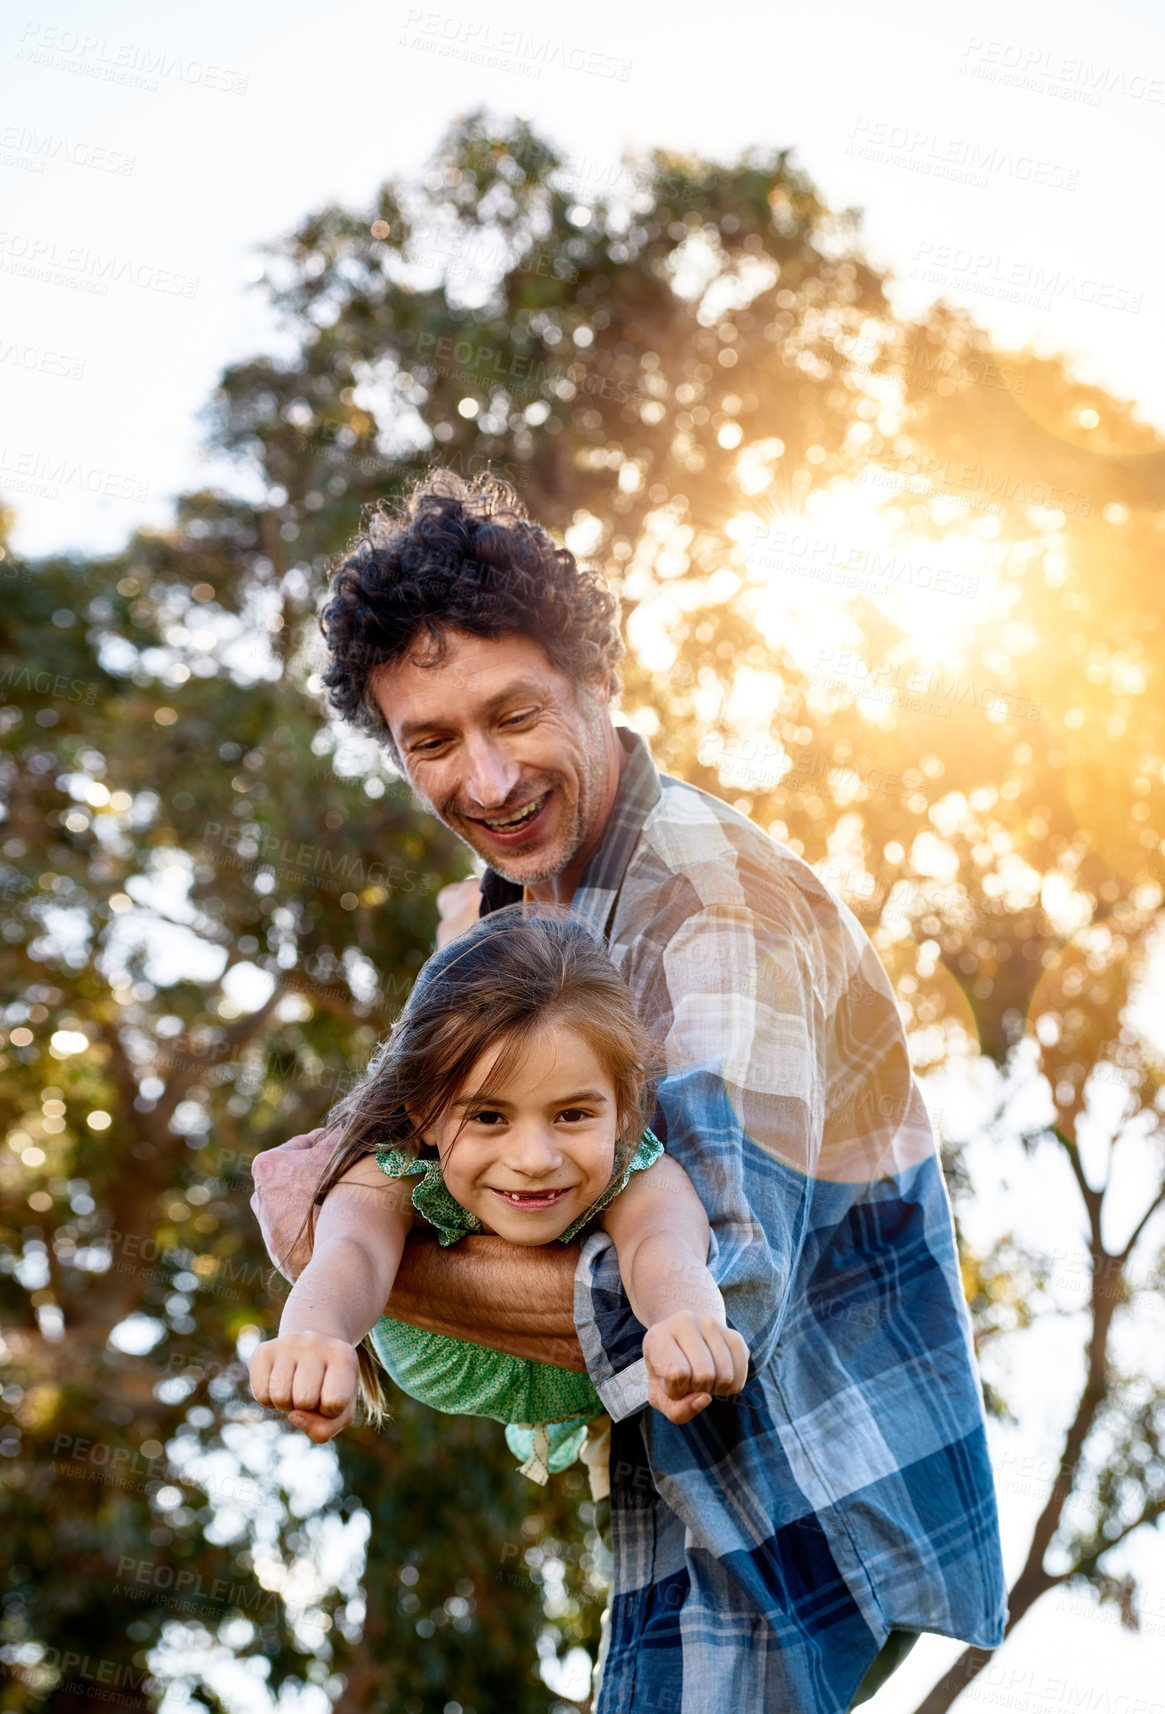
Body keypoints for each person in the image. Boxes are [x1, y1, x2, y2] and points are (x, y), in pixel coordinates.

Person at [250, 467, 1008, 1714]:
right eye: (431, 742)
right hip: (685, 1511)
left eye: (515, 716)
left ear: (597, 683)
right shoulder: (525, 913)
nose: (485, 783)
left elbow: (723, 1288)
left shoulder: (707, 906)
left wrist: (338, 1249)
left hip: (803, 1505)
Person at [248, 910, 749, 1490]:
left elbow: (662, 1247)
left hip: (598, 1418)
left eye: (572, 1114)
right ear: (424, 1111)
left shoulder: (635, 1171)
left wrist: (687, 1323)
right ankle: (462, 915)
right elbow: (352, 1251)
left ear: (625, 1101)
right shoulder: (395, 1171)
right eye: (488, 1116)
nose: (535, 1158)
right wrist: (318, 1337)